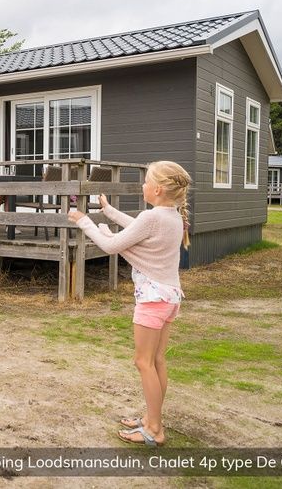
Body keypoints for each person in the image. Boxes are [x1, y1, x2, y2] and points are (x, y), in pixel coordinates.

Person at [68, 161, 191, 446]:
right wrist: (109, 212)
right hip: (170, 297)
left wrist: (84, 221)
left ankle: (154, 430)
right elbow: (138, 228)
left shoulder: (153, 218)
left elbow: (112, 245)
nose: (143, 186)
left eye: (147, 182)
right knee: (157, 360)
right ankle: (152, 419)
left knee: (142, 362)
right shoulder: (172, 216)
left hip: (152, 300)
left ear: (158, 189)